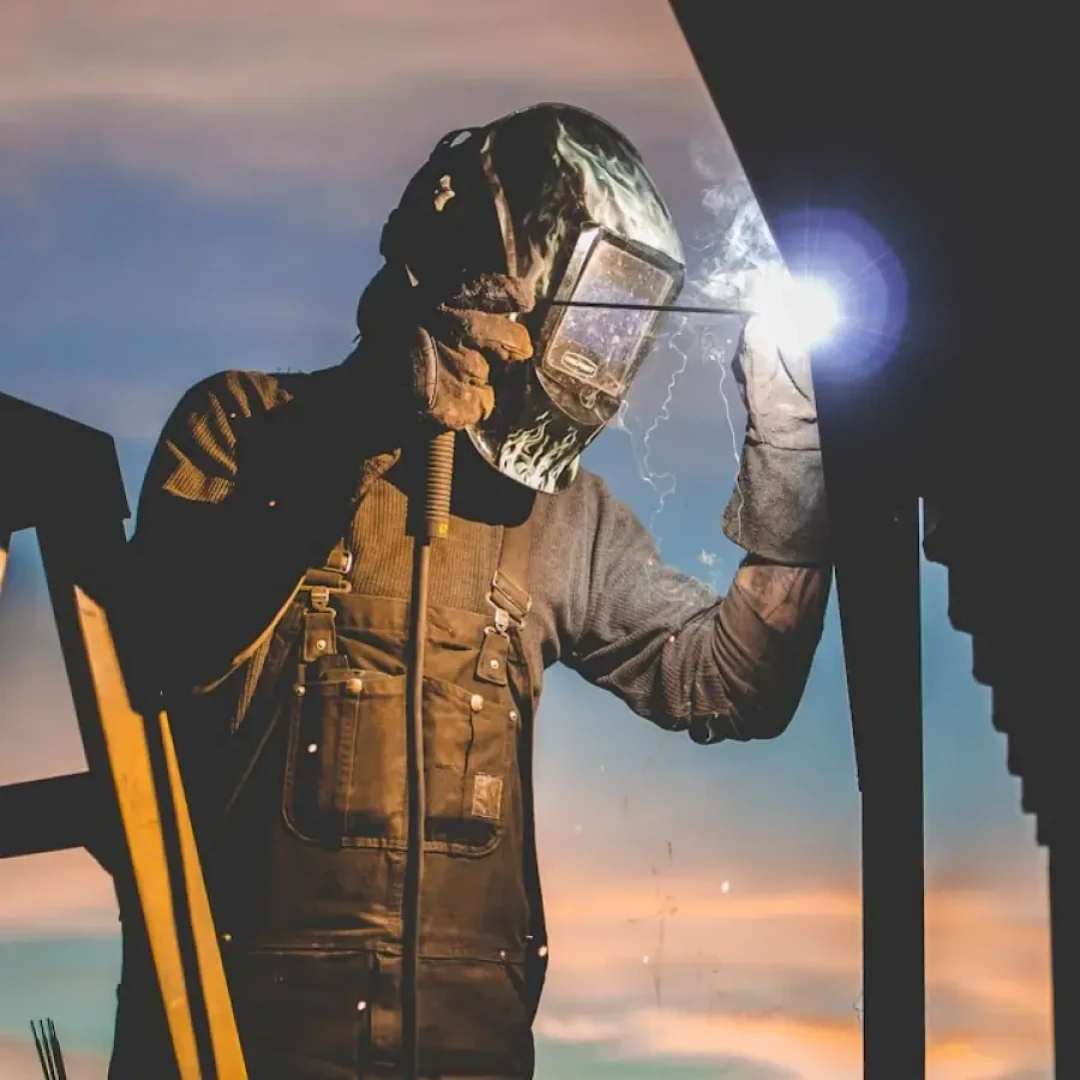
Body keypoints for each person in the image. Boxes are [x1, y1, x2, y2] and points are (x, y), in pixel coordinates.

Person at [107, 103, 831, 1079]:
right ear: (481, 267)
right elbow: (170, 649)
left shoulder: (563, 520)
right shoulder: (242, 430)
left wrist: (796, 448)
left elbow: (738, 686)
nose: (592, 351)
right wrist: (363, 430)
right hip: (237, 1050)